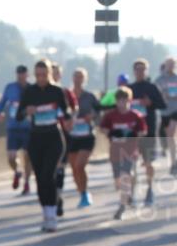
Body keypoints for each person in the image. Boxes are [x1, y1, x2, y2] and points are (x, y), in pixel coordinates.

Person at [17, 59, 71, 232]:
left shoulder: (57, 91)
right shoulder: (29, 92)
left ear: (49, 74)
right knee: (40, 178)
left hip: (54, 137)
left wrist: (66, 116)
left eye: (44, 75)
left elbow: (67, 112)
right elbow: (18, 115)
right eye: (38, 75)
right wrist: (26, 111)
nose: (41, 78)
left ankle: (53, 215)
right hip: (36, 138)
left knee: (49, 175)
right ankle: (46, 213)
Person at [99, 86, 147, 220]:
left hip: (130, 150)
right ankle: (128, 194)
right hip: (115, 150)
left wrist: (132, 134)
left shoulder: (135, 115)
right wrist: (112, 132)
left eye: (125, 100)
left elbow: (143, 131)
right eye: (119, 100)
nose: (122, 102)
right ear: (116, 101)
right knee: (118, 179)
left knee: (126, 175)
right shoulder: (110, 115)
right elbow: (102, 128)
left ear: (129, 100)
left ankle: (122, 206)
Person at [128, 58, 167, 206]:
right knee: (131, 164)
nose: (140, 72)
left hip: (148, 130)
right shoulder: (129, 89)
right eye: (138, 69)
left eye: (143, 69)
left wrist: (150, 103)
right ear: (134, 71)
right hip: (132, 132)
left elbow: (163, 105)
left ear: (146, 71)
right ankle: (132, 193)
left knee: (148, 162)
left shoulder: (152, 88)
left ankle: (150, 190)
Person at [0, 65, 33, 194]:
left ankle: (27, 183)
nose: (21, 76)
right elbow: (2, 102)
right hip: (13, 127)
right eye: (19, 74)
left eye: (23, 74)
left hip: (27, 127)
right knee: (11, 157)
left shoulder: (32, 89)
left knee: (27, 156)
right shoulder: (10, 88)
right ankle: (17, 172)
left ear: (27, 75)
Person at [66, 68, 100, 208]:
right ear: (72, 78)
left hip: (87, 135)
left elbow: (99, 111)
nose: (78, 79)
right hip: (72, 136)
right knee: (74, 168)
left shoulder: (89, 96)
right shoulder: (67, 95)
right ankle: (81, 193)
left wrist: (92, 116)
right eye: (76, 76)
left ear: (84, 79)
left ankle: (85, 193)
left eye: (80, 77)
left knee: (80, 165)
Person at [49, 63, 75, 218]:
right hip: (45, 135)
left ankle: (58, 197)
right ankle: (51, 197)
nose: (54, 75)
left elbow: (73, 110)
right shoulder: (39, 93)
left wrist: (69, 122)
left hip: (62, 135)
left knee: (59, 168)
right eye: (52, 72)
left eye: (56, 73)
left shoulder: (65, 92)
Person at [154, 56, 177, 175]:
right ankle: (173, 161)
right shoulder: (159, 80)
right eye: (169, 64)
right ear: (165, 65)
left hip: (175, 109)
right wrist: (162, 96)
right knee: (169, 137)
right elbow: (154, 94)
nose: (171, 66)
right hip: (164, 111)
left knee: (172, 132)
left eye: (173, 64)